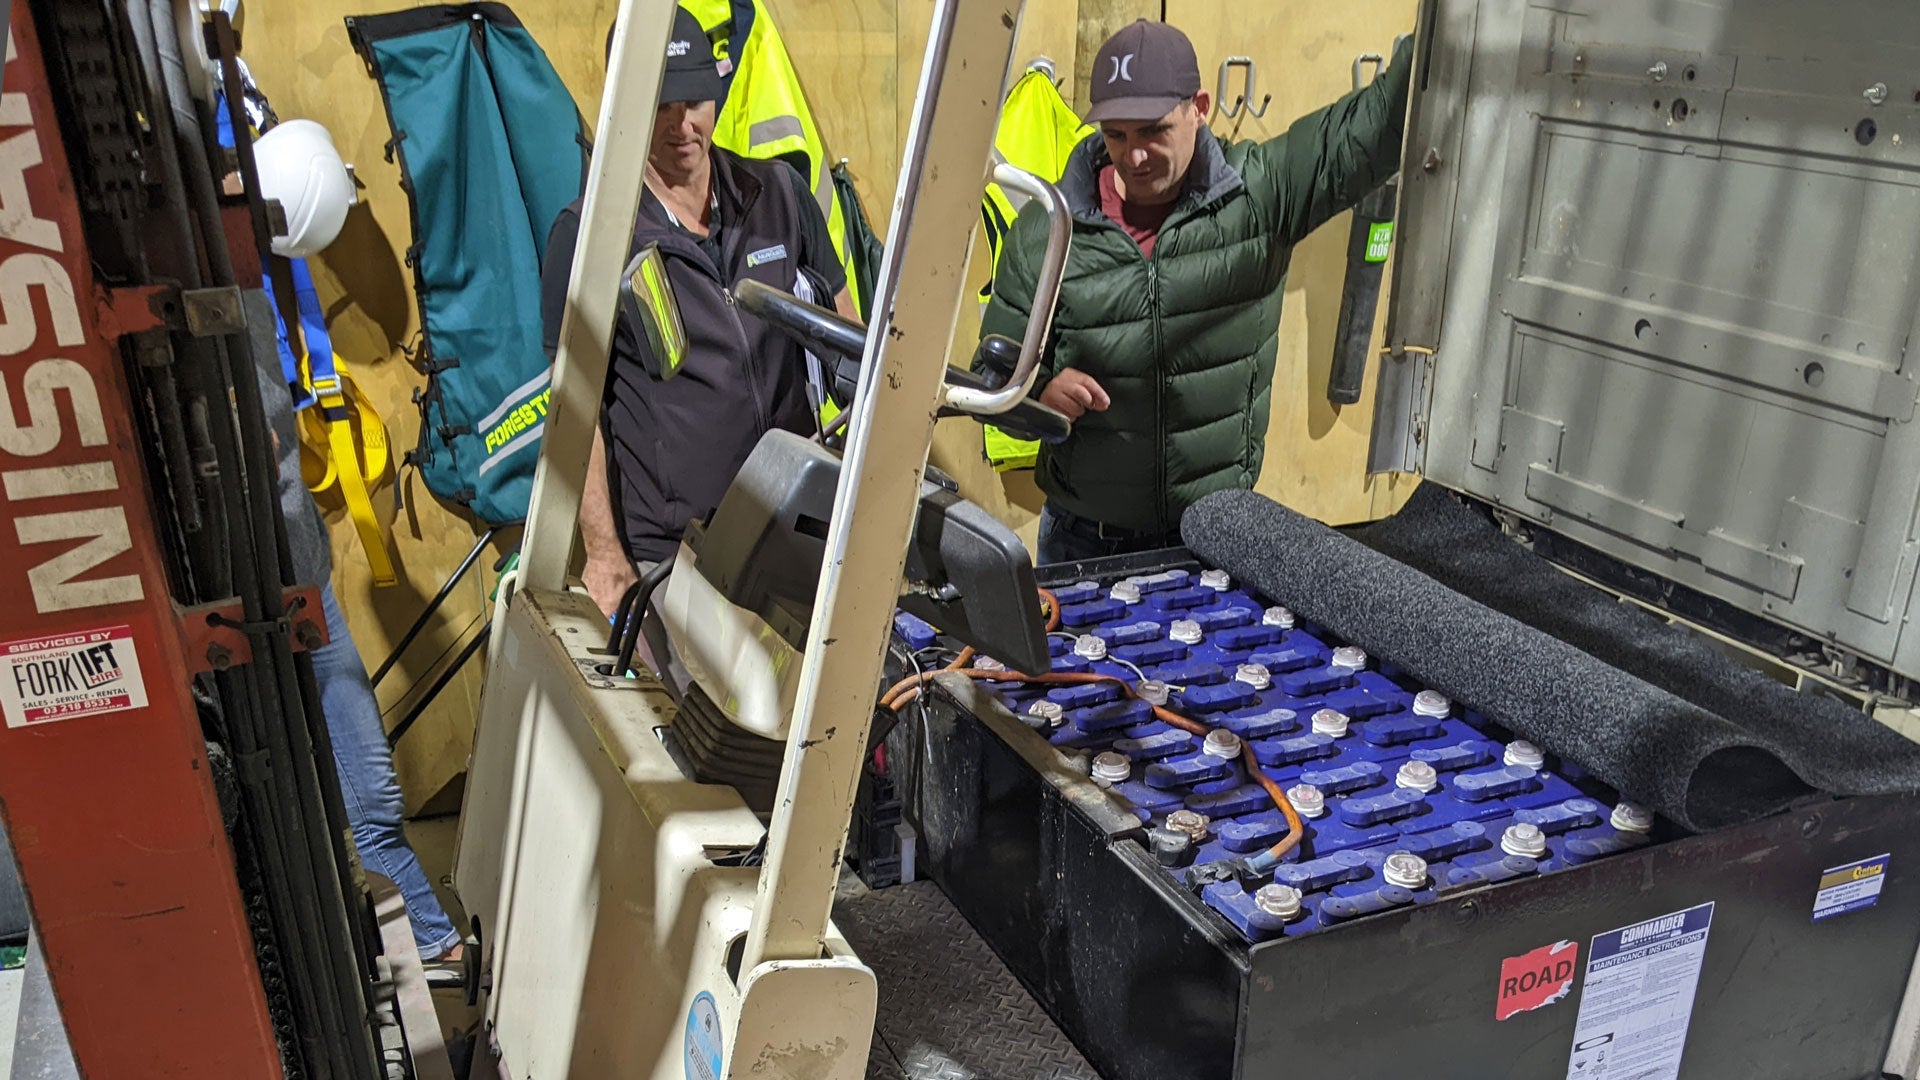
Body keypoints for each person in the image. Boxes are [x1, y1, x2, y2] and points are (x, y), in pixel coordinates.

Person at [981, 21, 1413, 564]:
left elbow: (1379, 125)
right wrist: (1040, 390)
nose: (1133, 157)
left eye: (1153, 131)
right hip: (1083, 539)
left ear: (1199, 107)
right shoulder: (1047, 230)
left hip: (1216, 535)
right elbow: (992, 383)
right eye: (1116, 134)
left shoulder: (1258, 195)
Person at [541, 6, 856, 618]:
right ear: (625, 105)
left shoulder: (781, 196)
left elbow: (849, 341)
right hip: (679, 555)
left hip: (797, 529)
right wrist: (604, 558)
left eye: (695, 102)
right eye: (660, 105)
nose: (683, 125)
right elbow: (575, 410)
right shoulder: (592, 234)